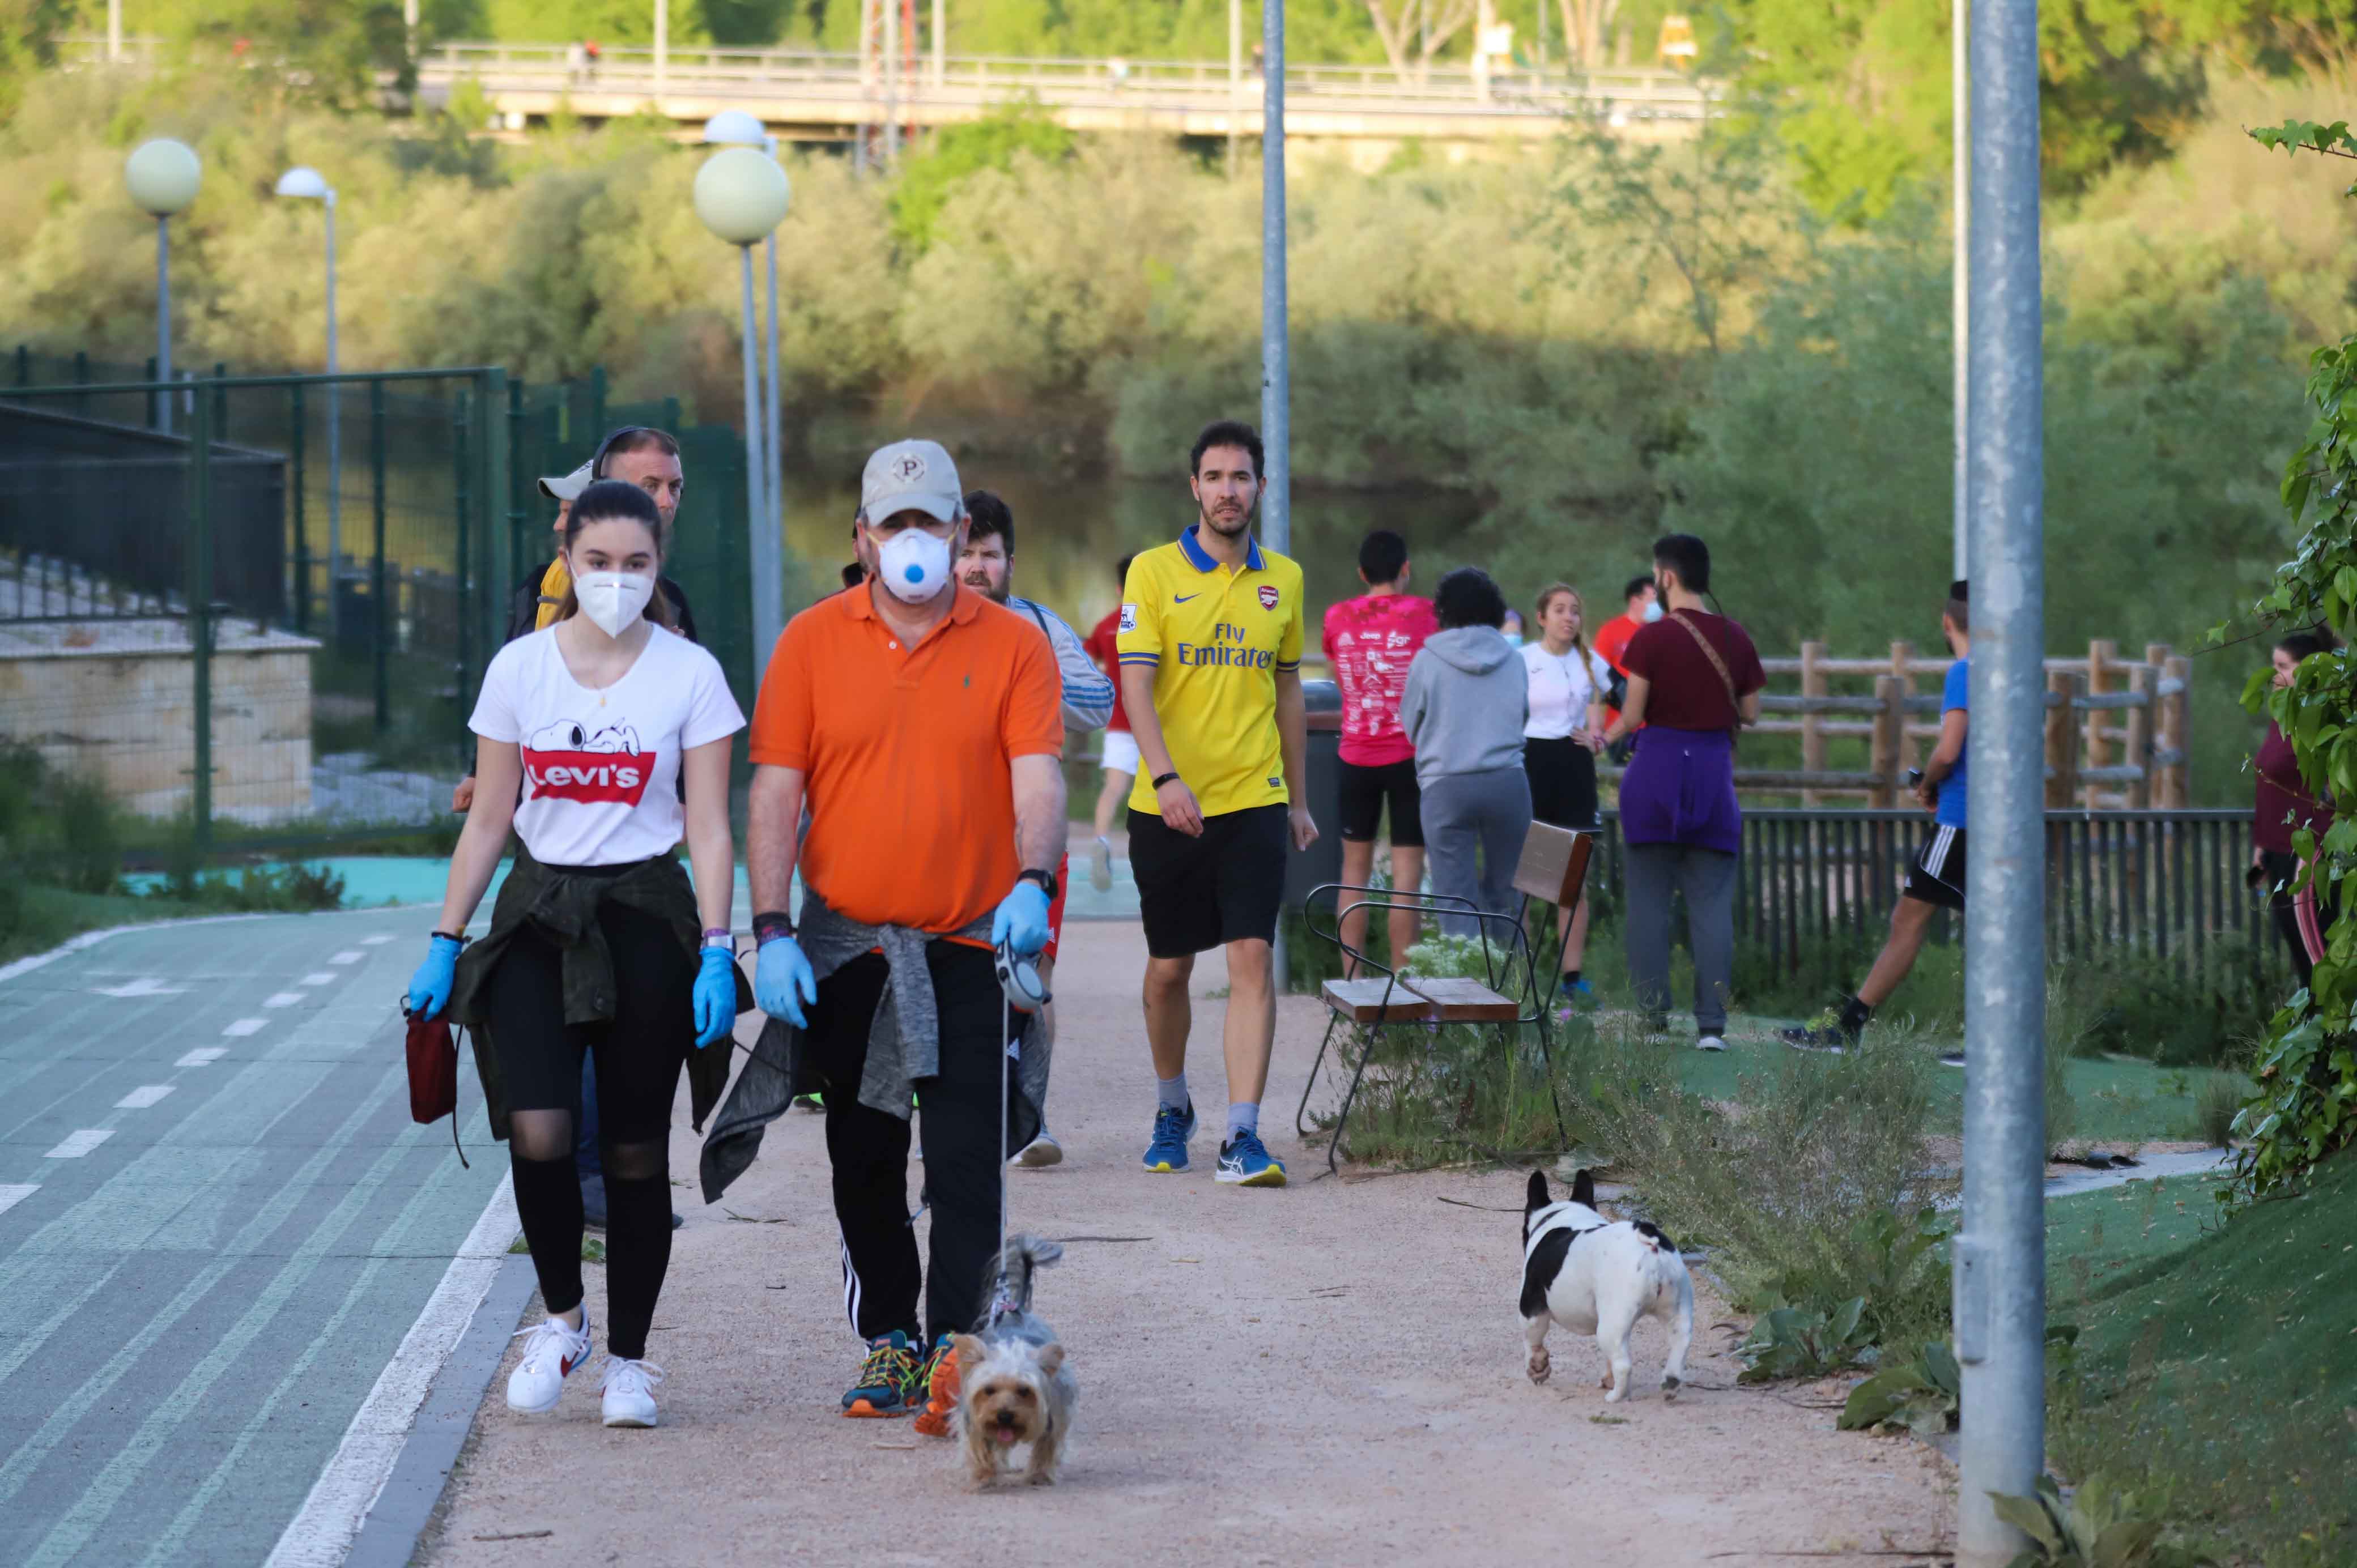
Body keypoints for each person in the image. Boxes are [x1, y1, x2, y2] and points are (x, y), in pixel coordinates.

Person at [405, 480, 747, 1430]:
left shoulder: (690, 675)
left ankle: (631, 1361)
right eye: (599, 561)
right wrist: (445, 938)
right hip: (536, 914)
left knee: (636, 1150)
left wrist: (719, 948)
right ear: (568, 548)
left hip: (647, 913)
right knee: (541, 1128)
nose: (617, 581)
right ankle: (561, 1321)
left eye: (637, 564)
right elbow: (488, 820)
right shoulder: (519, 670)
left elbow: (712, 827)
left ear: (658, 563)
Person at [743, 439, 1065, 1429]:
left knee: (966, 1156)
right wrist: (771, 928)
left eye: (934, 522)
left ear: (963, 532)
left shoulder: (1015, 643)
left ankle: (960, 1351)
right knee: (863, 1151)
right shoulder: (810, 641)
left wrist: (1034, 878)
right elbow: (775, 791)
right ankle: (890, 1336)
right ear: (864, 538)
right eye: (896, 525)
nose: (915, 541)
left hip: (970, 941)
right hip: (849, 948)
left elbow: (1040, 776)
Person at [452, 428, 700, 1231]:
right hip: (548, 871)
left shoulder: (673, 612)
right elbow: (519, 700)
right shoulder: (539, 594)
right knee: (554, 1042)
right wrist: (444, 935)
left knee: (626, 1038)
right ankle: (579, 1193)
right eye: (647, 485)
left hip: (640, 875)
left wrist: (726, 934)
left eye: (672, 488)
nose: (662, 501)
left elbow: (683, 732)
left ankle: (618, 1187)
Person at [1117, 419, 1317, 1188]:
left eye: (1241, 477)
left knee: (1252, 958)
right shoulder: (1152, 573)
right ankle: (1174, 1107)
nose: (1228, 491)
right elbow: (1136, 684)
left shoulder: (1286, 580)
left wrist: (1297, 800)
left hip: (1254, 800)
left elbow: (1290, 687)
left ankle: (1242, 1135)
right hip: (1166, 804)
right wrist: (1166, 780)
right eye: (1215, 477)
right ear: (1194, 487)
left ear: (1260, 487)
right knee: (1169, 970)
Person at [956, 488, 1115, 1168]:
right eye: (963, 553)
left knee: (1031, 978)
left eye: (988, 555)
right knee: (956, 981)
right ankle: (955, 1114)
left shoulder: (1039, 627)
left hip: (1032, 840)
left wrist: (1022, 672)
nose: (975, 567)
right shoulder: (920, 628)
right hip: (951, 840)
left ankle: (1033, 1118)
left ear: (1009, 561)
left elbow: (1099, 703)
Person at [1779, 582, 1972, 1061]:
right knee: (1980, 928)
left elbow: (1949, 750)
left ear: (1947, 624)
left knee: (1908, 920)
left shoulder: (1966, 672)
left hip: (1962, 823)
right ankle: (1994, 1040)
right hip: (1996, 822)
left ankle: (1847, 1028)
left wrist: (1928, 783)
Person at [1601, 534, 1763, 1051]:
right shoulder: (1736, 638)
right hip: (1713, 775)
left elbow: (1631, 717)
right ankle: (1712, 1027)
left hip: (1655, 773)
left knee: (1649, 903)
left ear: (1666, 578)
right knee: (1712, 905)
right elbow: (1752, 713)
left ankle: (1652, 1020)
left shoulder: (1650, 640)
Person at [1322, 529, 1437, 970]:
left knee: (1354, 871)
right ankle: (1404, 988)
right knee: (1407, 878)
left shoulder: (1336, 617)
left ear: (1361, 573)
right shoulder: (1427, 614)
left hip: (1355, 756)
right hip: (1411, 758)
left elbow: (1340, 678)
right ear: (1406, 569)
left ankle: (1351, 983)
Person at [1401, 567, 1533, 939]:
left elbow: (1412, 724)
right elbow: (1522, 716)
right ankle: (1510, 985)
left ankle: (1466, 987)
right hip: (1507, 782)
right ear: (1495, 608)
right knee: (1508, 892)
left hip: (1446, 784)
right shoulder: (1514, 659)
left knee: (1454, 896)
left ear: (1443, 609)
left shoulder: (1427, 660)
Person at [1521, 583, 1614, 1007]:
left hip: (1575, 767)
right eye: (1559, 610)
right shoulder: (1523, 660)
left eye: (1575, 610)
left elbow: (1629, 700)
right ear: (1541, 617)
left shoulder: (1591, 662)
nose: (1568, 617)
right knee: (1526, 876)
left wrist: (1604, 738)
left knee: (1571, 881)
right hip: (1531, 764)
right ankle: (1519, 971)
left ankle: (1572, 977)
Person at [2252, 629, 2339, 1000]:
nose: (2274, 676)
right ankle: (2315, 1050)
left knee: (2319, 963)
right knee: (2302, 964)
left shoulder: (2325, 717)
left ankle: (2333, 1047)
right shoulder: (2281, 715)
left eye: (2283, 667)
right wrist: (2261, 849)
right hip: (2277, 852)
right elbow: (2269, 784)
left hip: (2309, 854)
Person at [1083, 553, 1139, 892]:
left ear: (1119, 588)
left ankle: (1101, 843)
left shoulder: (1106, 625)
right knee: (1163, 790)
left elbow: (1085, 665)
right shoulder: (1159, 621)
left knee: (1114, 789)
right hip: (1159, 724)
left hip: (1118, 722)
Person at [1591, 574, 1661, 731]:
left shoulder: (1664, 630)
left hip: (1658, 727)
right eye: (1653, 601)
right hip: (1621, 728)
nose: (1658, 607)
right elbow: (1597, 679)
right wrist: (1595, 728)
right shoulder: (1610, 631)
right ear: (1635, 602)